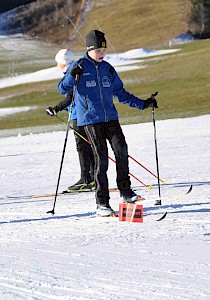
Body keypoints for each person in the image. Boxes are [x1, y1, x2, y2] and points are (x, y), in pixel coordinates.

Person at [58, 30, 158, 217]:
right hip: (91, 120)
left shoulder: (108, 69)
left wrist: (143, 104)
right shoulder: (79, 66)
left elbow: (121, 93)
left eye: (104, 48)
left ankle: (126, 193)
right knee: (101, 161)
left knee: (122, 150)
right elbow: (62, 88)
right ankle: (102, 203)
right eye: (98, 49)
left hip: (110, 118)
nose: (102, 53)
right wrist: (72, 75)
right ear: (89, 49)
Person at [46, 49, 95, 192]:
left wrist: (56, 108)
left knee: (83, 147)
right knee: (88, 146)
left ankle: (86, 180)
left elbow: (71, 96)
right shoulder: (77, 69)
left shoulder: (72, 73)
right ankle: (92, 178)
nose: (57, 65)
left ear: (63, 63)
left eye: (58, 63)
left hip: (78, 115)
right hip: (83, 113)